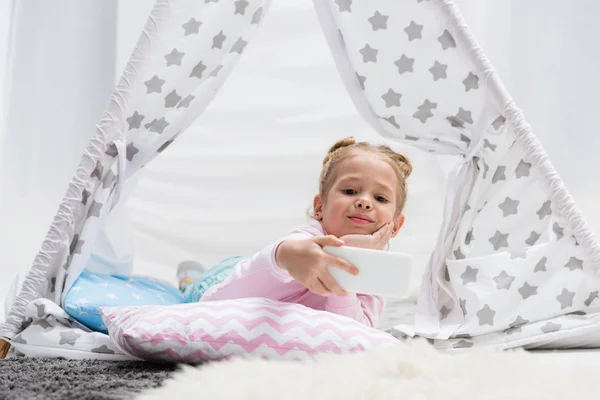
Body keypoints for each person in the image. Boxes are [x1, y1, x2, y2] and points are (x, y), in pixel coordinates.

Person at [177, 137, 412, 328]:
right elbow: (217, 299)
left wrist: (346, 263)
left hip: (248, 269)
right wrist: (288, 254)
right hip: (224, 279)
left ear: (396, 225)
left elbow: (350, 331)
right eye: (350, 191)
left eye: (380, 198)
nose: (363, 202)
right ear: (320, 207)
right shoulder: (306, 238)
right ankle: (190, 279)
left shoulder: (379, 277)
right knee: (193, 291)